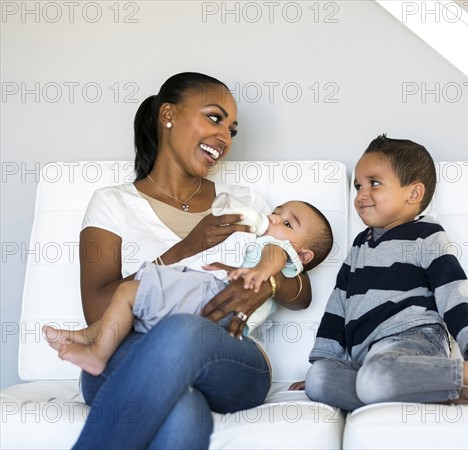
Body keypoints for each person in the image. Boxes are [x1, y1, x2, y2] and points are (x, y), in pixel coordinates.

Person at [64, 72, 318, 449]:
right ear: (168, 115)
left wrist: (269, 283)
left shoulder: (242, 201)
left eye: (233, 130)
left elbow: (301, 292)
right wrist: (184, 248)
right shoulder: (112, 203)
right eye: (215, 118)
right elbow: (97, 310)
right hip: (128, 350)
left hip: (230, 357)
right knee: (182, 409)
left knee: (183, 331)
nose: (225, 137)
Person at [299, 135, 468, 411]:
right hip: (368, 358)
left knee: (374, 378)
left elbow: (453, 290)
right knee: (317, 381)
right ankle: (433, 388)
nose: (361, 194)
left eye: (374, 183)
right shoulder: (359, 246)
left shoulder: (427, 236)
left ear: (413, 193)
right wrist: (323, 359)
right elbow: (337, 306)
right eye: (358, 186)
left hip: (413, 340)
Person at [44, 199, 333, 377]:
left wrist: (259, 277)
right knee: (136, 306)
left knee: (129, 293)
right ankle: (91, 337)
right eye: (275, 212)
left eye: (286, 222)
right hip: (213, 309)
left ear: (303, 255)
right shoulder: (265, 238)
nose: (271, 219)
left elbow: (275, 257)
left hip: (214, 296)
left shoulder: (277, 248)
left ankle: (96, 352)